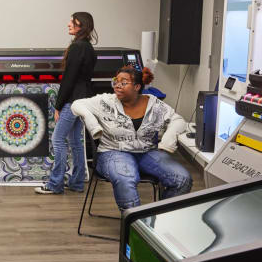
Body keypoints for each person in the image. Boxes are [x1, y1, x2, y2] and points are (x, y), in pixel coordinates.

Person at [71, 65, 192, 211]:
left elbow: (178, 120)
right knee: (126, 178)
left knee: (182, 179)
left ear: (137, 86)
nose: (117, 86)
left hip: (147, 153)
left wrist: (168, 141)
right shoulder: (105, 102)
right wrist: (92, 123)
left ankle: (159, 220)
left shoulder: (154, 105)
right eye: (116, 81)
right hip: (113, 152)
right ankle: (136, 225)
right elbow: (77, 104)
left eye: (124, 82)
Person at [35, 12, 97, 194]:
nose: (68, 24)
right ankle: (77, 182)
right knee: (75, 141)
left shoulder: (77, 47)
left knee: (58, 139)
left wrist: (59, 105)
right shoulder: (88, 47)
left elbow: (69, 79)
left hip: (73, 100)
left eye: (72, 21)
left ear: (82, 24)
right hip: (84, 99)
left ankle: (55, 184)